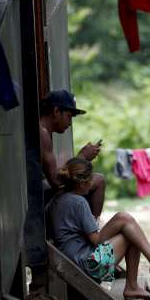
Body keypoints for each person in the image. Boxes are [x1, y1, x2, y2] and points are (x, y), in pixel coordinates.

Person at [48, 157, 150, 299]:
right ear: (82, 183)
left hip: (71, 263)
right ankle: (149, 269)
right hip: (88, 267)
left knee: (129, 230)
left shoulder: (57, 200)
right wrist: (116, 224)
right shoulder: (79, 202)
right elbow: (96, 241)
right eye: (91, 179)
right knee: (125, 221)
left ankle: (147, 272)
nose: (92, 182)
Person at [40, 89, 105, 218]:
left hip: (38, 193)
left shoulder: (43, 132)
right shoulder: (42, 133)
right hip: (37, 200)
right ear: (56, 112)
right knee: (98, 180)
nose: (70, 123)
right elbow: (56, 181)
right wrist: (82, 158)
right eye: (69, 116)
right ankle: (91, 231)